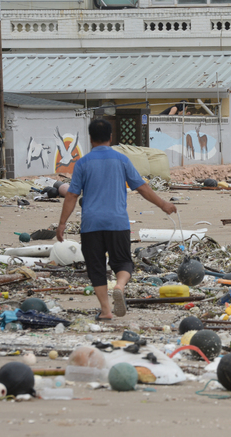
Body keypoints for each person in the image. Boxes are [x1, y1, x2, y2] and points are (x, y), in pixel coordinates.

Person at [57, 119, 177, 320]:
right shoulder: (121, 160)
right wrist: (163, 204)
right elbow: (142, 187)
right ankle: (119, 286)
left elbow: (71, 195)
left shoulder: (83, 163)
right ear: (111, 137)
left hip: (91, 224)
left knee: (96, 267)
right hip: (117, 223)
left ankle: (105, 311)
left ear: (90, 138)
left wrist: (62, 224)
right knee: (123, 262)